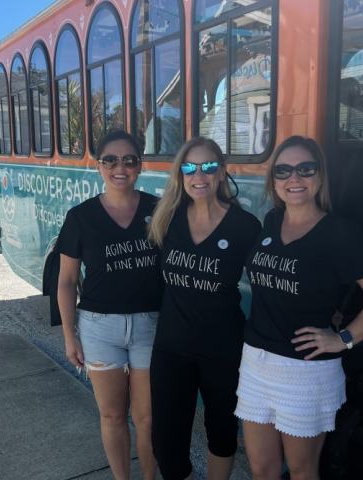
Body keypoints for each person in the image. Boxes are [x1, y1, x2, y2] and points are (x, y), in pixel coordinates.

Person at [235, 136, 363, 480]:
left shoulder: (340, 234)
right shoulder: (270, 222)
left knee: (302, 471)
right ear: (274, 180)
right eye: (283, 171)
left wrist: (343, 339)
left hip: (304, 372)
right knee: (261, 469)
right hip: (255, 363)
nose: (294, 178)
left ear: (320, 177)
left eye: (305, 169)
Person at [147, 137, 261, 480]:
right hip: (171, 347)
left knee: (222, 430)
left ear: (222, 173)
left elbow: (268, 281)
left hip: (223, 347)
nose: (200, 175)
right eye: (190, 167)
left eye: (209, 166)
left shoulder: (245, 227)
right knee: (166, 437)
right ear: (180, 174)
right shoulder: (167, 219)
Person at [57, 130, 163, 480]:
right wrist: (71, 336)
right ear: (98, 165)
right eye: (111, 160)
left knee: (147, 418)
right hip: (99, 327)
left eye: (129, 160)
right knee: (113, 416)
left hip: (150, 324)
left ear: (140, 166)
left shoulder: (159, 210)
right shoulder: (80, 217)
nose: (121, 168)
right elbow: (67, 281)